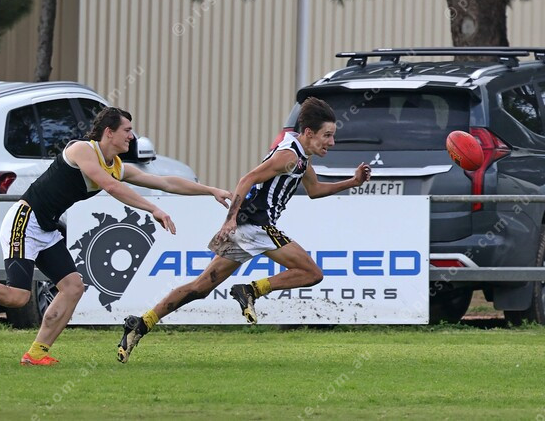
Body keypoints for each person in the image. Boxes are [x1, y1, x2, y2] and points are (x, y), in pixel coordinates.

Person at [0, 106, 232, 366]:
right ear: (109, 132)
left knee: (73, 287)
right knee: (18, 297)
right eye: (127, 130)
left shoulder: (116, 164)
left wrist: (210, 190)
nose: (132, 136)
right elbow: (111, 187)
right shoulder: (82, 150)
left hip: (46, 228)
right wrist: (154, 209)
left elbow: (166, 182)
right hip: (25, 220)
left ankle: (36, 353)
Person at [117, 97, 372, 363]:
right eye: (327, 135)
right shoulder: (289, 156)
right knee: (312, 273)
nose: (332, 142)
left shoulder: (301, 158)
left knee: (200, 287)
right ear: (309, 133)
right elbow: (247, 179)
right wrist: (230, 219)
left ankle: (141, 323)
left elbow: (315, 190)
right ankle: (250, 290)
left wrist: (352, 182)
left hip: (247, 228)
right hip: (256, 225)